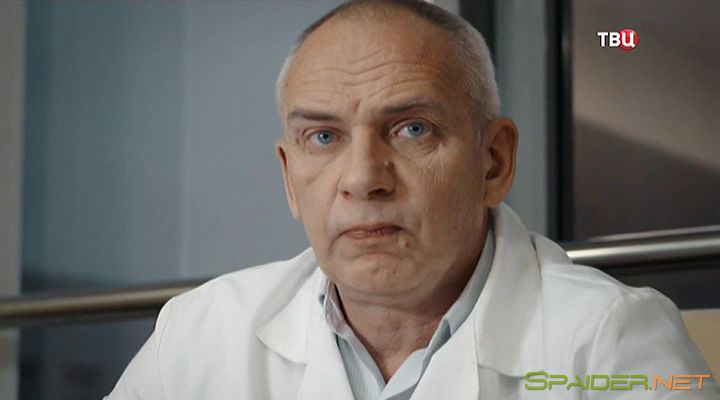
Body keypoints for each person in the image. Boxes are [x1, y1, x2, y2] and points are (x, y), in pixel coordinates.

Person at [105, 1, 718, 399]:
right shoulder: (199, 335)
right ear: (290, 179)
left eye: (411, 129)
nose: (362, 179)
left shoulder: (610, 342)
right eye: (324, 137)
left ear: (493, 162)